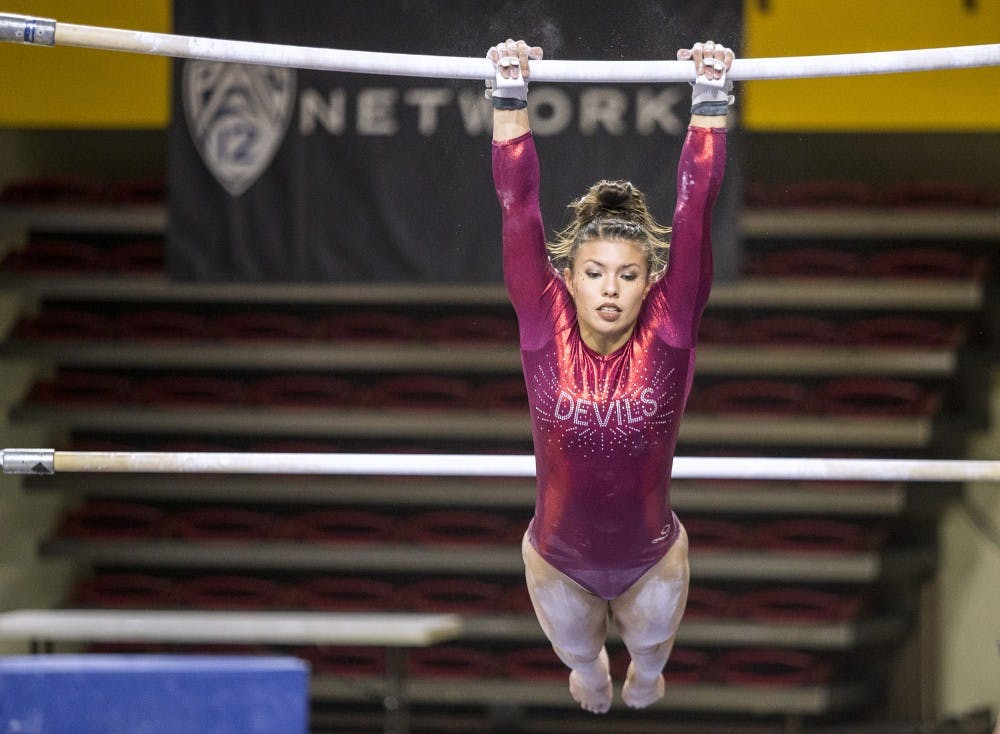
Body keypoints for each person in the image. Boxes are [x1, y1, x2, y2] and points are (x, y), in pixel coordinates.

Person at [488, 38, 733, 713]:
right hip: (556, 555)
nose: (609, 289)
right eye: (594, 273)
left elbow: (695, 210)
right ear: (566, 278)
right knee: (579, 658)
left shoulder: (671, 325)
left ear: (650, 281)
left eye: (628, 275)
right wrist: (509, 90)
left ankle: (647, 673)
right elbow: (519, 207)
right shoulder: (544, 321)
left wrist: (710, 97)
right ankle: (588, 669)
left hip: (651, 553)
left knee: (649, 660)